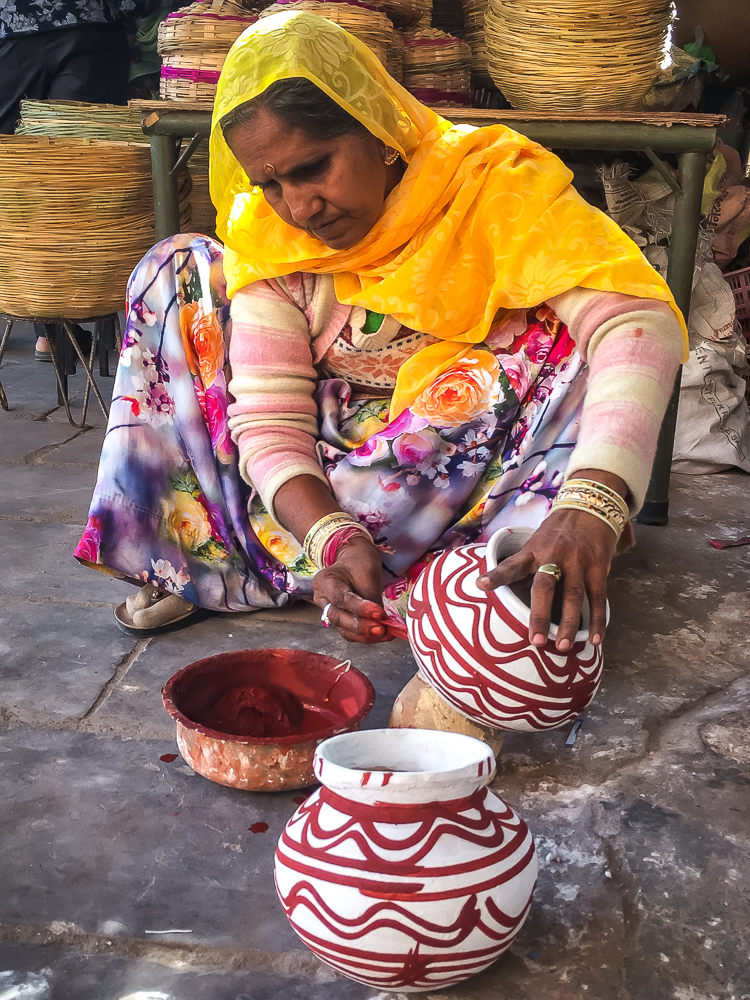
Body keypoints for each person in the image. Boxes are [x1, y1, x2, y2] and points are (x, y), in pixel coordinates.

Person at [75, 11, 686, 653]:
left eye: (314, 167)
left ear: (379, 130)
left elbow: (635, 321)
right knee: (177, 272)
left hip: (454, 468)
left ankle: (528, 556)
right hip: (315, 489)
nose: (300, 207)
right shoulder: (274, 235)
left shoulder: (492, 189)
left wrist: (593, 504)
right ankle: (228, 557)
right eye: (271, 184)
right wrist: (336, 537)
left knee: (557, 342)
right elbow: (270, 420)